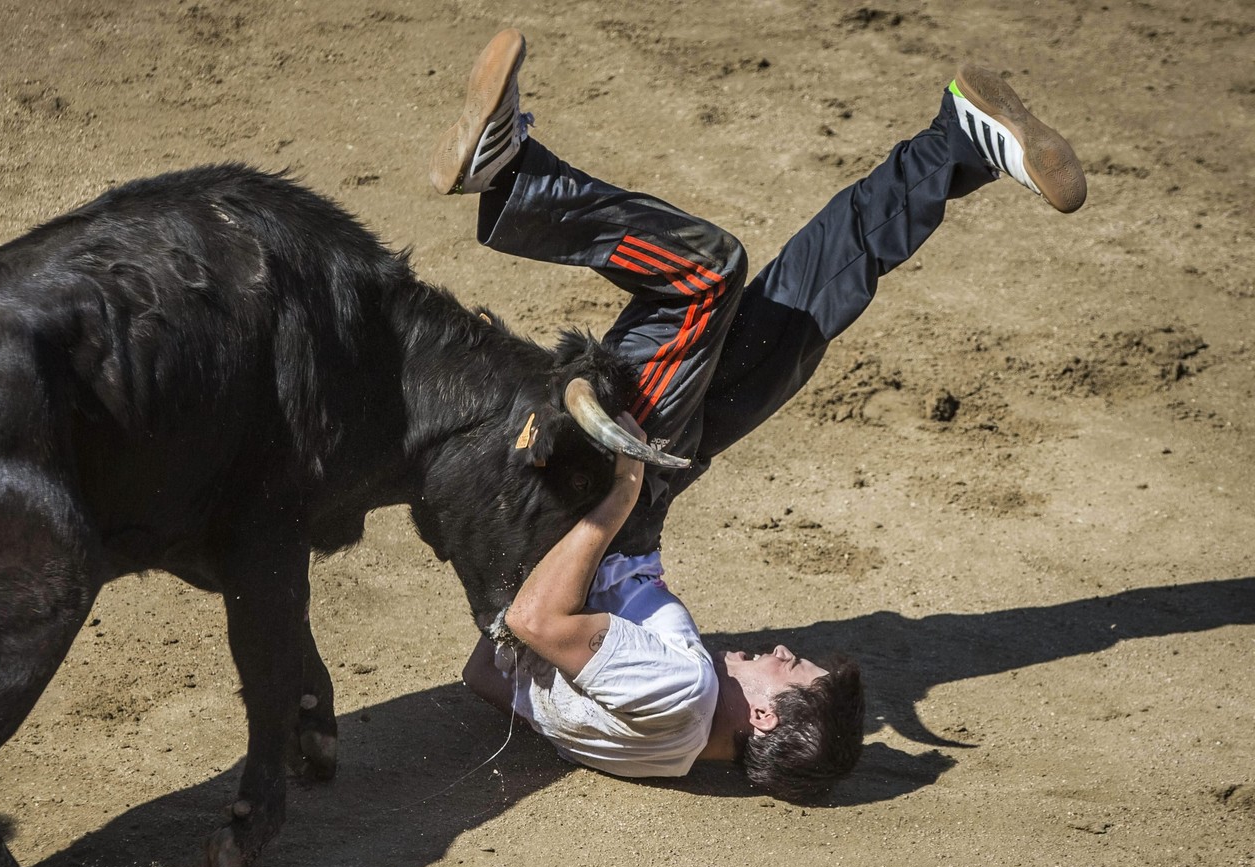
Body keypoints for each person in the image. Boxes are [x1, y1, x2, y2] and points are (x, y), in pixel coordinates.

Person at [435, 29, 1086, 800]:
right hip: (599, 517)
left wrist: (621, 488)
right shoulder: (669, 744)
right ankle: (958, 147)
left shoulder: (680, 695)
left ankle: (513, 182)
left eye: (791, 667)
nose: (781, 648)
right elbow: (488, 668)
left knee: (706, 272)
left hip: (596, 496)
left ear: (770, 717)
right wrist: (549, 667)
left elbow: (539, 623)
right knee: (796, 319)